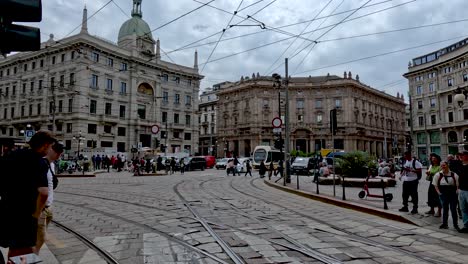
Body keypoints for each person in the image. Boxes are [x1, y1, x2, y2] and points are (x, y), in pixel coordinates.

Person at [0, 130, 56, 259]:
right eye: (50, 146)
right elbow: (43, 192)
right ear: (45, 145)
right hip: (25, 215)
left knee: (13, 247)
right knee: (22, 252)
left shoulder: (11, 156)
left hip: (6, 210)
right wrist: (36, 213)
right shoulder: (39, 162)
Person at [36, 140, 64, 253]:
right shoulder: (40, 163)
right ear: (49, 149)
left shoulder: (51, 164)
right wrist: (37, 211)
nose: (59, 154)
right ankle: (31, 257)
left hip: (48, 207)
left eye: (61, 152)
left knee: (40, 239)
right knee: (38, 239)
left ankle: (33, 256)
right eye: (57, 151)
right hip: (41, 209)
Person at [433, 161, 459, 230]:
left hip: (452, 194)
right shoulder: (438, 175)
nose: (443, 167)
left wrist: (457, 191)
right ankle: (444, 224)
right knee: (445, 209)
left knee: (453, 209)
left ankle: (455, 224)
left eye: (444, 165)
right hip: (443, 193)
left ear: (447, 165)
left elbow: (457, 185)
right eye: (441, 166)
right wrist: (439, 193)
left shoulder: (454, 174)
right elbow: (435, 185)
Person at [459, 151, 468, 233]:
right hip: (461, 190)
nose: (461, 156)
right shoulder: (460, 165)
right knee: (463, 209)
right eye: (460, 155)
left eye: (463, 155)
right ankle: (466, 225)